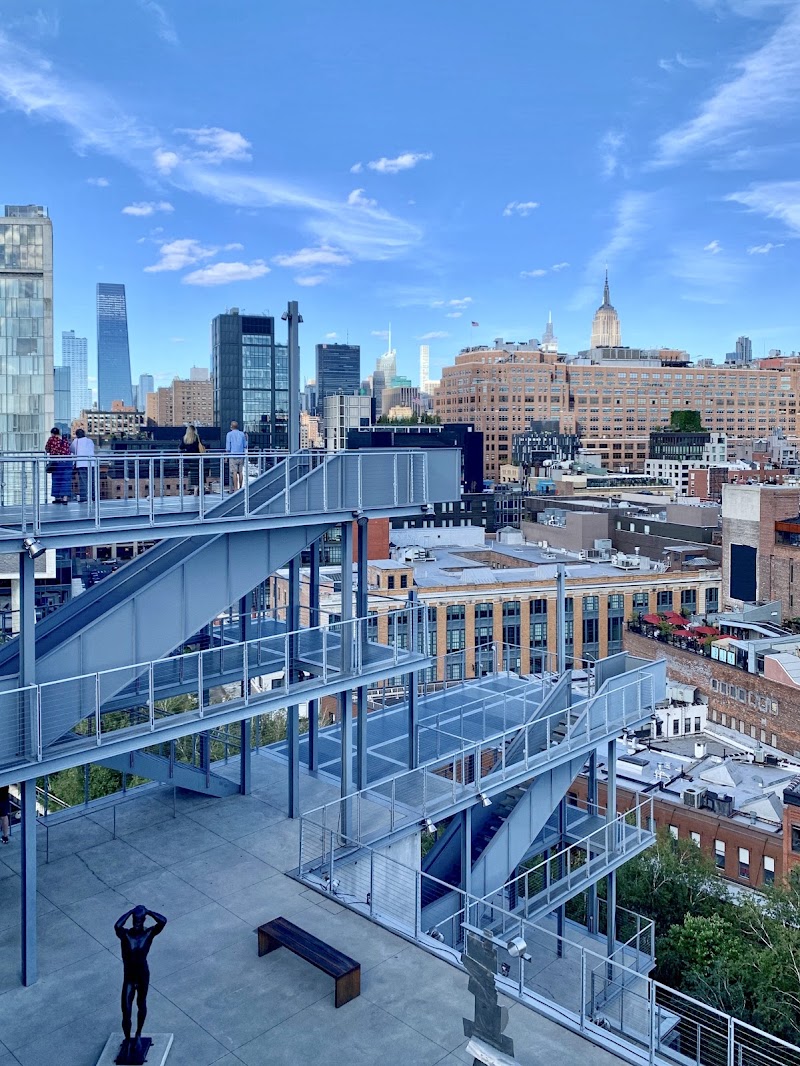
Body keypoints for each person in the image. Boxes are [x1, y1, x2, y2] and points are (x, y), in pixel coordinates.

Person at [115, 906, 167, 1050]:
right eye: (135, 920)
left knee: (141, 1003)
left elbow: (163, 921)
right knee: (126, 1010)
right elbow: (117, 926)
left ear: (144, 920)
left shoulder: (148, 934)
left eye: (139, 920)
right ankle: (128, 1039)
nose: (137, 923)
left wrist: (148, 911)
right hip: (129, 978)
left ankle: (138, 1033)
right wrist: (131, 911)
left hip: (142, 976)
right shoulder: (126, 935)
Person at [44, 427, 73, 504]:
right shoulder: (65, 439)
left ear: (52, 433)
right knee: (66, 480)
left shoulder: (51, 439)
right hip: (67, 462)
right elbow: (69, 449)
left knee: (56, 479)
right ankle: (65, 498)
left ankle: (57, 498)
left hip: (57, 462)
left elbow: (47, 448)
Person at [70, 427, 96, 503]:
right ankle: (93, 497)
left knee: (83, 481)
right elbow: (92, 449)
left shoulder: (76, 441)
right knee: (92, 480)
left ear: (77, 435)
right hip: (91, 462)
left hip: (81, 463)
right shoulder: (90, 440)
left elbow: (71, 449)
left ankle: (84, 498)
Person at [179, 424, 203, 495]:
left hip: (188, 459)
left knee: (192, 473)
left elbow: (181, 447)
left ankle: (194, 488)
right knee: (198, 473)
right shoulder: (197, 437)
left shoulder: (185, 438)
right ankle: (196, 488)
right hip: (197, 458)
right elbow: (201, 446)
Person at [225, 420, 248, 492]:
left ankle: (235, 488)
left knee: (234, 472)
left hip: (232, 455)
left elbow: (228, 447)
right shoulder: (242, 434)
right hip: (241, 455)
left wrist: (226, 457)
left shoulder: (229, 434)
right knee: (240, 472)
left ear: (231, 426)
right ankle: (240, 487)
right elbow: (245, 445)